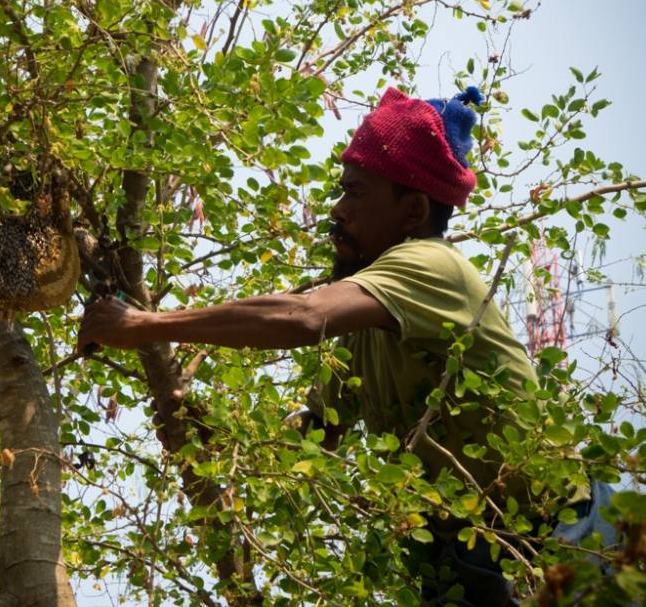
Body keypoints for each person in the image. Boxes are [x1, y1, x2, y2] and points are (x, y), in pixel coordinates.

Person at [77, 86, 604, 606]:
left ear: (413, 211)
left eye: (355, 193)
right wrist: (217, 435)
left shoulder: (429, 264)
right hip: (462, 563)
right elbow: (320, 430)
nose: (337, 210)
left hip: (557, 539)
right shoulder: (365, 325)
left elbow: (304, 317)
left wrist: (145, 324)